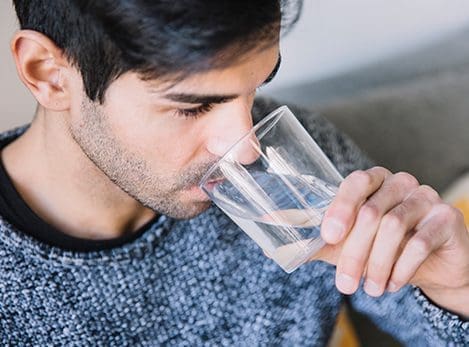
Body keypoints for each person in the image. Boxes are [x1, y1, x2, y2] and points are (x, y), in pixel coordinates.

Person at [1, 0, 467, 345]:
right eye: (194, 106)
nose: (246, 148)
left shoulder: (296, 164)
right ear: (48, 73)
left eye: (256, 88)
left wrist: (455, 287)